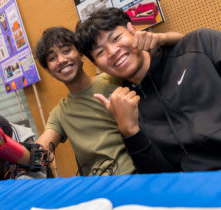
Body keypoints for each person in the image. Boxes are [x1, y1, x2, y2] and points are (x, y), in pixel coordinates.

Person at [76, 7, 220, 173]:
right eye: (100, 52)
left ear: (132, 30)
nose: (113, 52)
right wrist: (130, 132)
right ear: (96, 65)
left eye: (116, 38)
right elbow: (160, 177)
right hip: (199, 190)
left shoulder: (199, 44)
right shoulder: (128, 105)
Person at [34, 27, 182, 176]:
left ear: (82, 55)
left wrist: (162, 38)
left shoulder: (116, 78)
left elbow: (179, 46)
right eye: (52, 58)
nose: (61, 60)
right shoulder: (60, 113)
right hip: (101, 191)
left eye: (66, 51)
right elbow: (41, 151)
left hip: (141, 174)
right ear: (48, 71)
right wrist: (31, 160)